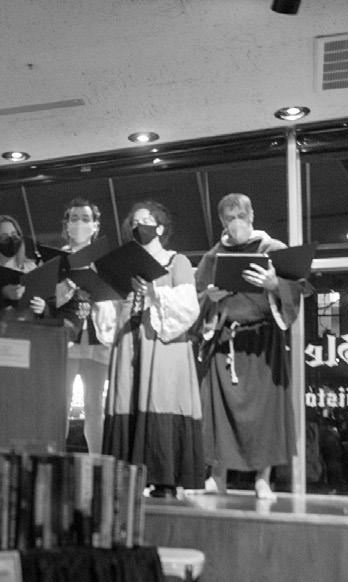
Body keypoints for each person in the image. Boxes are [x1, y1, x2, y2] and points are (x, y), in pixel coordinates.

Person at [194, 192, 309, 500]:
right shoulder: (213, 257)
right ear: (221, 221)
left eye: (240, 216)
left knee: (264, 414)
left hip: (262, 341)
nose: (236, 223)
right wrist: (210, 298)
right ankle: (217, 477)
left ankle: (262, 479)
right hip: (226, 340)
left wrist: (275, 284)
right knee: (219, 412)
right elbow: (196, 297)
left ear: (252, 216)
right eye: (229, 218)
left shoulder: (273, 250)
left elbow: (299, 288)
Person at [102, 201, 204, 493]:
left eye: (146, 220)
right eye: (134, 222)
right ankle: (127, 477)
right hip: (129, 340)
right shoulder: (124, 263)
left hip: (162, 344)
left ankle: (164, 477)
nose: (139, 225)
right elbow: (111, 306)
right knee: (127, 399)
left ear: (160, 227)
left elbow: (188, 306)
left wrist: (154, 292)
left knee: (160, 398)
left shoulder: (176, 261)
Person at [31, 197, 116, 455]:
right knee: (61, 403)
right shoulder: (54, 261)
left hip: (99, 339)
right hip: (66, 339)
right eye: (74, 218)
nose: (80, 223)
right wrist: (67, 285)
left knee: (95, 406)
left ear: (96, 226)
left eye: (86, 219)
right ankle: (56, 459)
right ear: (66, 225)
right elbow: (44, 301)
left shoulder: (107, 260)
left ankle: (97, 463)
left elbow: (117, 298)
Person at [0, 213, 35, 315]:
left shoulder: (31, 267)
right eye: (5, 238)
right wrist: (3, 294)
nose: (11, 240)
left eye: (14, 235)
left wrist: (42, 307)